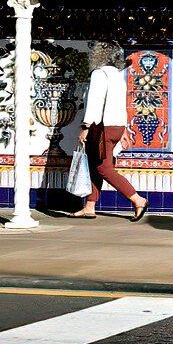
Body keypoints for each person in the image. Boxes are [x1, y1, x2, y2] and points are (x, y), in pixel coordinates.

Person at [72, 41, 147, 221]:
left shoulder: (99, 74)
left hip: (101, 127)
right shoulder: (117, 75)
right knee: (95, 165)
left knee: (103, 167)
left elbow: (95, 102)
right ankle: (89, 206)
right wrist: (125, 130)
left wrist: (86, 127)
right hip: (116, 126)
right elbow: (121, 104)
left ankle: (138, 199)